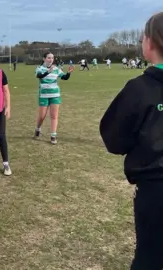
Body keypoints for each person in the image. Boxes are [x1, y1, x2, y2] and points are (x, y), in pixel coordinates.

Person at [100, 11, 163, 270]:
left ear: (149, 42)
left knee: (149, 258)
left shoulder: (139, 89)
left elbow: (115, 139)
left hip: (155, 190)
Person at [34, 52, 73, 144]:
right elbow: (39, 76)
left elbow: (64, 77)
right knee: (42, 116)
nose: (51, 59)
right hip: (43, 95)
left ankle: (53, 136)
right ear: (44, 59)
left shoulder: (56, 69)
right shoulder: (40, 68)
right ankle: (38, 128)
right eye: (48, 58)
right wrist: (48, 72)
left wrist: (69, 73)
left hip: (55, 95)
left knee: (54, 116)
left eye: (52, 58)